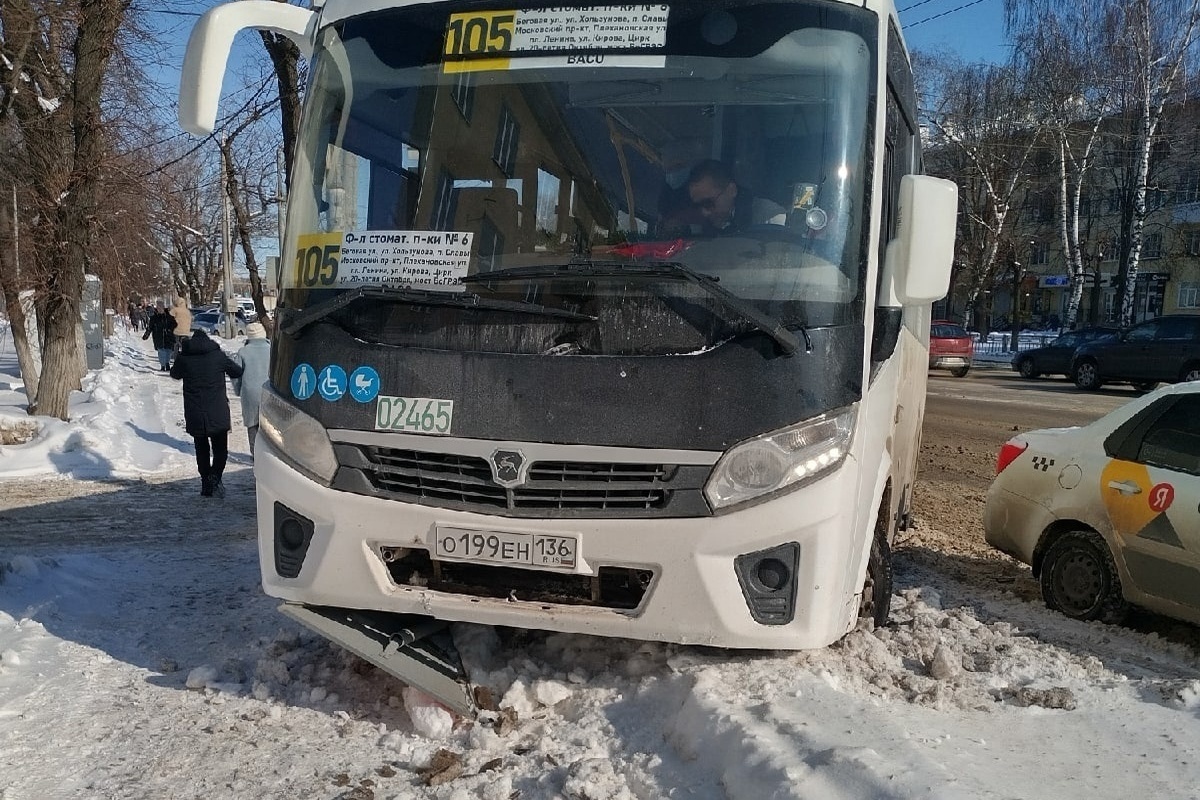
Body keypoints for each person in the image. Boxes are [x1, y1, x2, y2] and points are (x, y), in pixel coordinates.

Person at [170, 329, 245, 498]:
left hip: (195, 411)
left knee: (201, 449)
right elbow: (237, 371)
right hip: (217, 410)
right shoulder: (217, 356)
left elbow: (174, 374)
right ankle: (215, 476)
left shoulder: (185, 358)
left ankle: (206, 484)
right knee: (221, 450)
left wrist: (178, 357)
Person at [684, 159, 787, 234]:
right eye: (697, 206)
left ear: (731, 190)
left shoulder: (770, 215)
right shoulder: (696, 227)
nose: (704, 212)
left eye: (708, 203)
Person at [232, 321, 271, 456]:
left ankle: (255, 455)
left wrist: (238, 390)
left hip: (250, 393)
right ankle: (270, 454)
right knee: (270, 425)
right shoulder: (272, 350)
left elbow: (236, 374)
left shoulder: (243, 352)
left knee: (252, 424)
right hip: (270, 392)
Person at [142, 301, 176, 371]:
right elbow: (150, 327)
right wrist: (146, 335)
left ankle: (167, 363)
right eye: (158, 307)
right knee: (161, 352)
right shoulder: (154, 318)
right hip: (159, 337)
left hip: (168, 337)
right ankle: (163, 365)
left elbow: (175, 325)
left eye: (161, 307)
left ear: (164, 307)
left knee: (168, 351)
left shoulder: (169, 316)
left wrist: (170, 330)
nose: (159, 309)